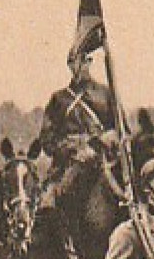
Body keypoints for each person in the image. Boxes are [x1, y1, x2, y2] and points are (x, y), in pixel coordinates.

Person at [37, 47, 116, 213]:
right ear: (69, 65)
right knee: (48, 205)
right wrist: (74, 147)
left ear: (90, 62)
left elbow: (121, 130)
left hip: (104, 159)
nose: (79, 66)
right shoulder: (59, 99)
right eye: (74, 61)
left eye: (84, 60)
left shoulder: (107, 94)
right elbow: (47, 140)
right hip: (68, 163)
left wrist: (110, 137)